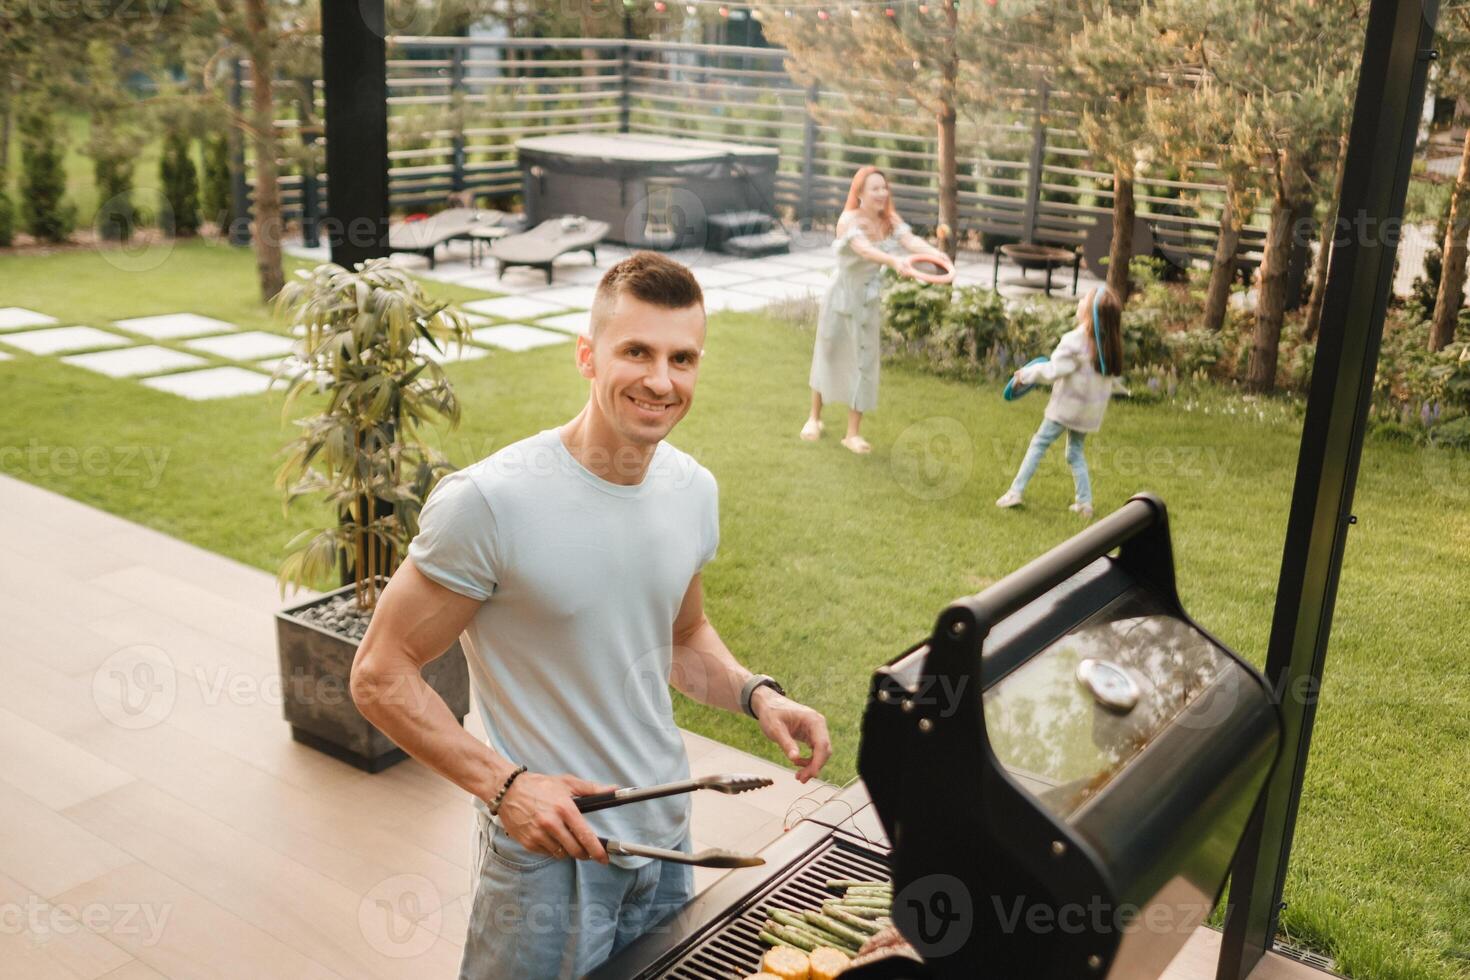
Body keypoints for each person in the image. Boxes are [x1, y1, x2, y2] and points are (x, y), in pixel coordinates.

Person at [349, 252, 832, 978]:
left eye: (682, 358)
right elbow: (379, 675)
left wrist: (755, 693)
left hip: (671, 839)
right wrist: (506, 787)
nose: (661, 380)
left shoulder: (692, 489)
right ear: (587, 356)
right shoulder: (491, 503)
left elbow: (681, 635)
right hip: (551, 858)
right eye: (636, 351)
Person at [803, 166, 953, 454]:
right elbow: (864, 250)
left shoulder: (890, 220)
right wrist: (894, 262)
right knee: (829, 353)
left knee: (864, 360)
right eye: (875, 188)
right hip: (840, 295)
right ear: (859, 192)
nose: (882, 193)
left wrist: (936, 254)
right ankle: (814, 418)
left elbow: (910, 241)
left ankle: (852, 434)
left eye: (884, 188)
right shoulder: (848, 220)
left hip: (867, 299)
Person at [995, 285, 1123, 519]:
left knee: (1039, 443)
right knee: (1075, 452)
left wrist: (1026, 374)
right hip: (1087, 413)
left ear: (1091, 312)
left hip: (1066, 409)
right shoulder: (1108, 345)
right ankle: (1085, 503)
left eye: (1084, 298)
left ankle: (1015, 491)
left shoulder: (1076, 341)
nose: (1080, 300)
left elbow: (1053, 371)